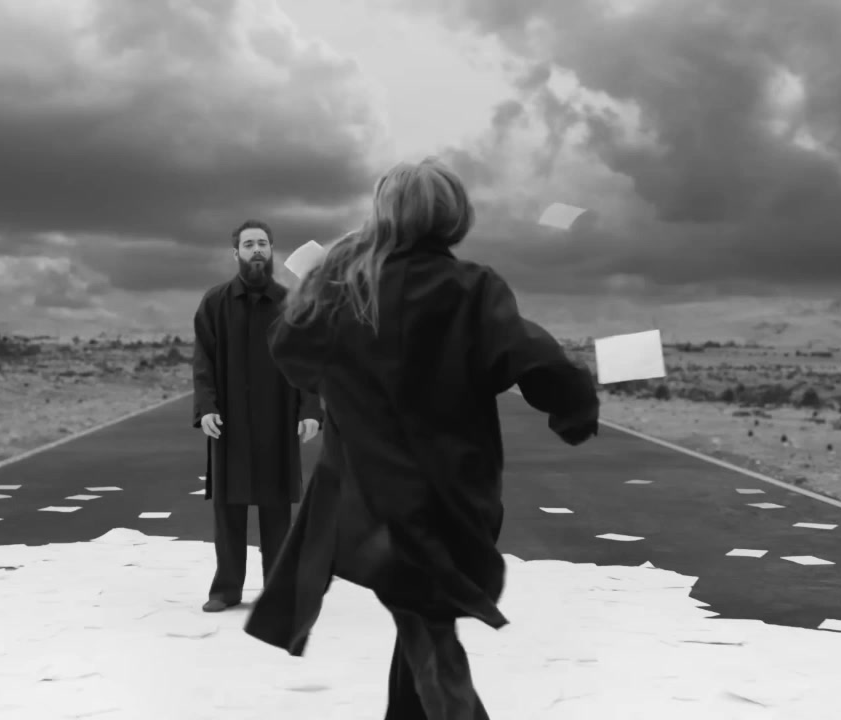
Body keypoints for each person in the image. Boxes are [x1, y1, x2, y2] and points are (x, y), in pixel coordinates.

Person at [244, 158, 601, 719]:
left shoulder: (350, 292)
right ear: (454, 215)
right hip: (452, 498)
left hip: (372, 498)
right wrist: (574, 411)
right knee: (430, 634)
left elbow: (291, 349)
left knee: (422, 623)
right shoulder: (473, 289)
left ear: (383, 215)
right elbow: (537, 360)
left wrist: (331, 272)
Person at [192, 219, 323, 613]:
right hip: (229, 422)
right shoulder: (214, 303)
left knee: (276, 511)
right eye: (248, 244)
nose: (256, 250)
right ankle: (226, 590)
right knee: (228, 511)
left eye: (262, 243)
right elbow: (203, 362)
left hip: (277, 419)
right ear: (236, 253)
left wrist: (310, 410)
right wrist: (206, 407)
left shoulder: (290, 304)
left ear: (271, 250)